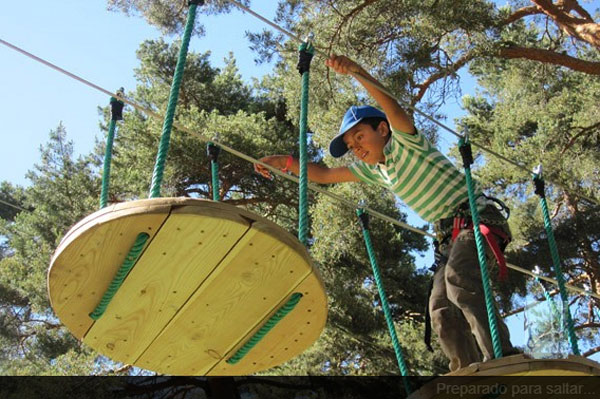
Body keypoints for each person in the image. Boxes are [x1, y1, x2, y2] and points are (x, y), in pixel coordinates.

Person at [254, 55, 516, 372]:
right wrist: (285, 162)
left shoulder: (406, 142)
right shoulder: (375, 172)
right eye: (351, 146)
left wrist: (357, 71)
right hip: (450, 237)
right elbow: (323, 175)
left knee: (460, 280)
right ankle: (468, 372)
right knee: (440, 309)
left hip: (477, 220)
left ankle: (502, 358)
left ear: (382, 129)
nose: (356, 148)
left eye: (360, 137)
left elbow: (392, 107)